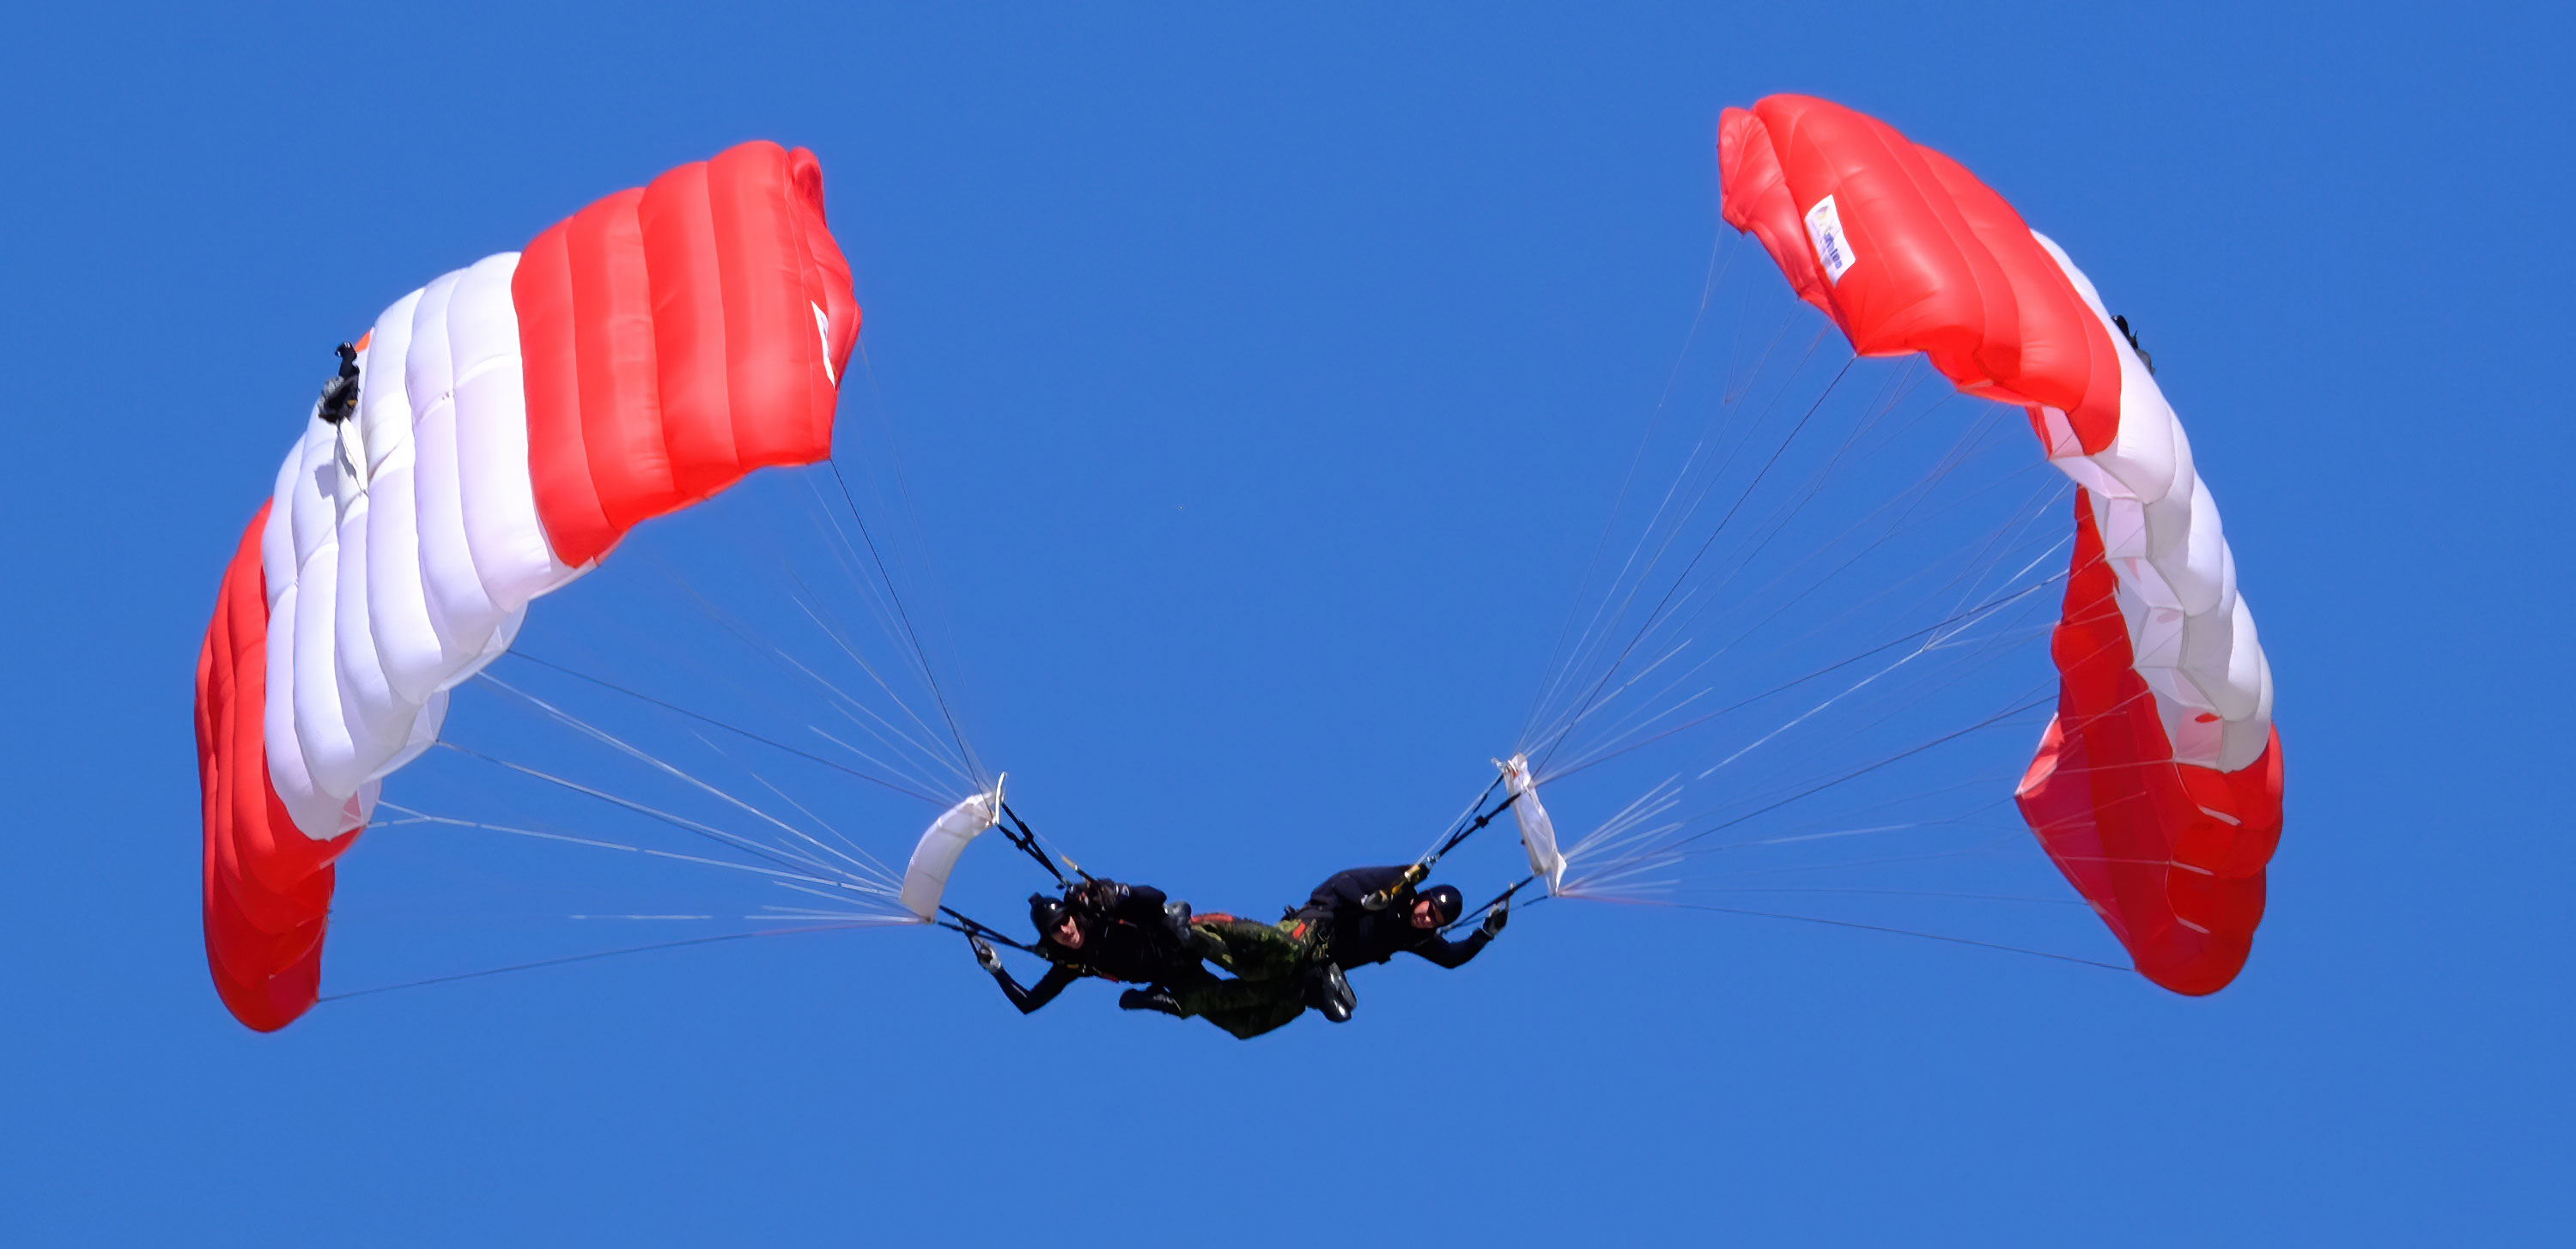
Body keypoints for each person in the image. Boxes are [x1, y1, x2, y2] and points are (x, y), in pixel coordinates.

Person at [969, 878, 1218, 1015]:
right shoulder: (1071, 963)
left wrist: (1118, 892)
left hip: (1181, 939)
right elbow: (1029, 1003)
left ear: (1073, 916)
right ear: (1050, 939)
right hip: (1173, 977)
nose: (1066, 931)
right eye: (1056, 930)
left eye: (1065, 921)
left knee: (1176, 925)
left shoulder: (1101, 913)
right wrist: (997, 971)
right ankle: (1164, 1000)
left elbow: (1156, 895)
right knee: (1224, 1007)